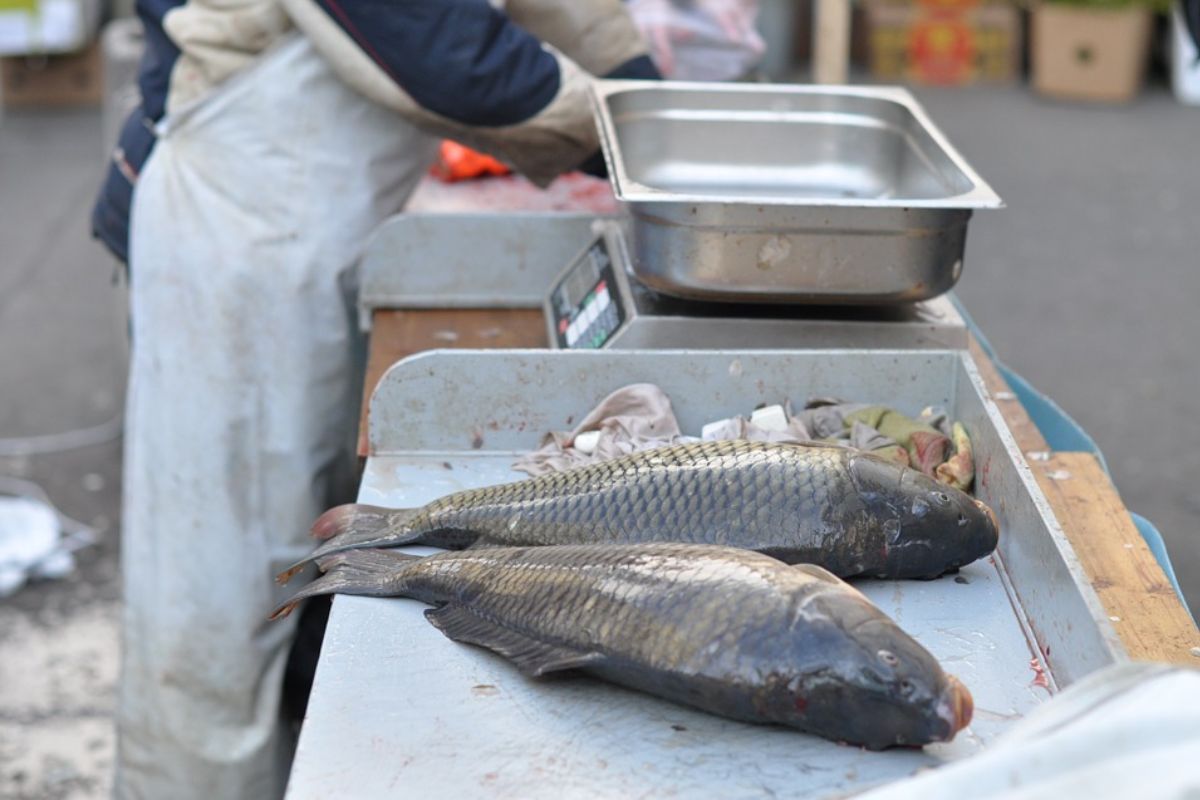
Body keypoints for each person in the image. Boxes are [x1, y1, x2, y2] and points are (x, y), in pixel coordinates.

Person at [90, 2, 658, 797]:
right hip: (236, 230)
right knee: (221, 612)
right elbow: (432, 41)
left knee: (303, 571)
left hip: (320, 227)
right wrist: (644, 137)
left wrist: (646, 86)